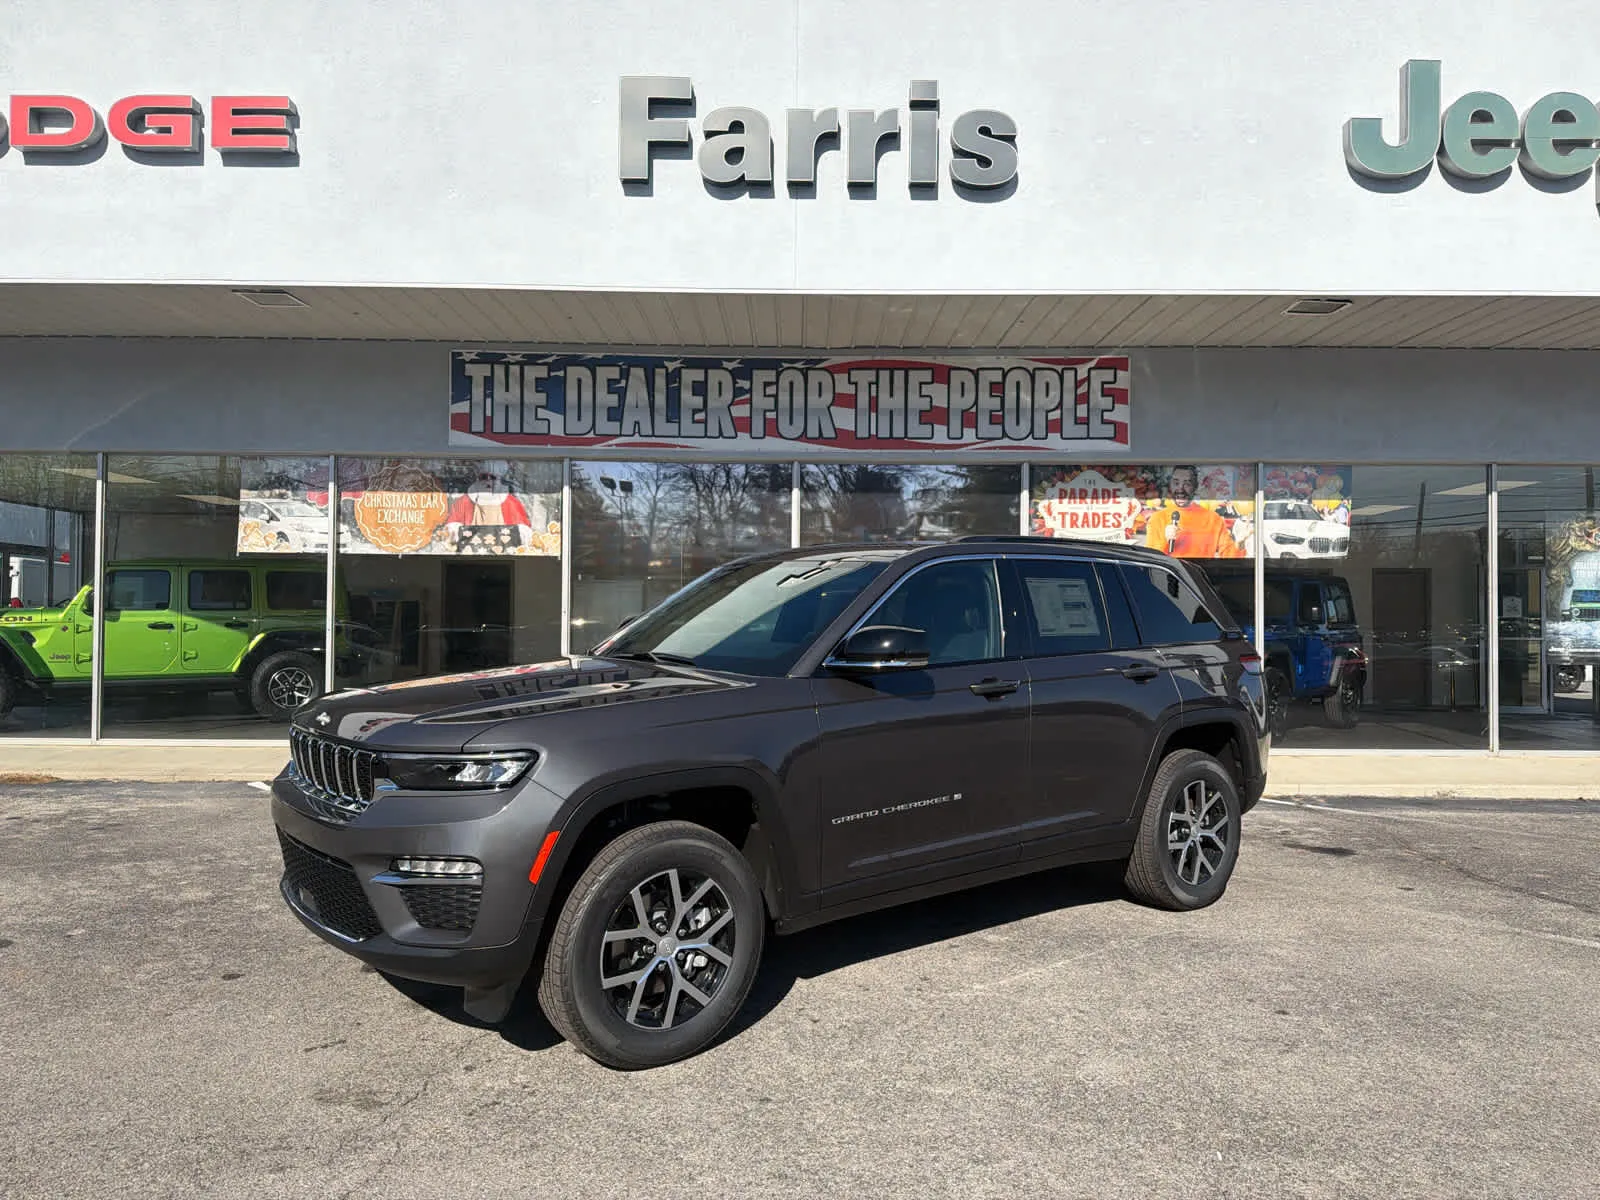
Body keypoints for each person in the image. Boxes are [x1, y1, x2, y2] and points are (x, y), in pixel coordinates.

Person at [1142, 465, 1247, 558]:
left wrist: (1240, 544)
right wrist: (1165, 539)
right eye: (1176, 483)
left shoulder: (1213, 519)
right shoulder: (1157, 518)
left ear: (1195, 487)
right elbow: (1151, 561)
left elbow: (1230, 557)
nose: (1180, 489)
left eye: (1187, 484)